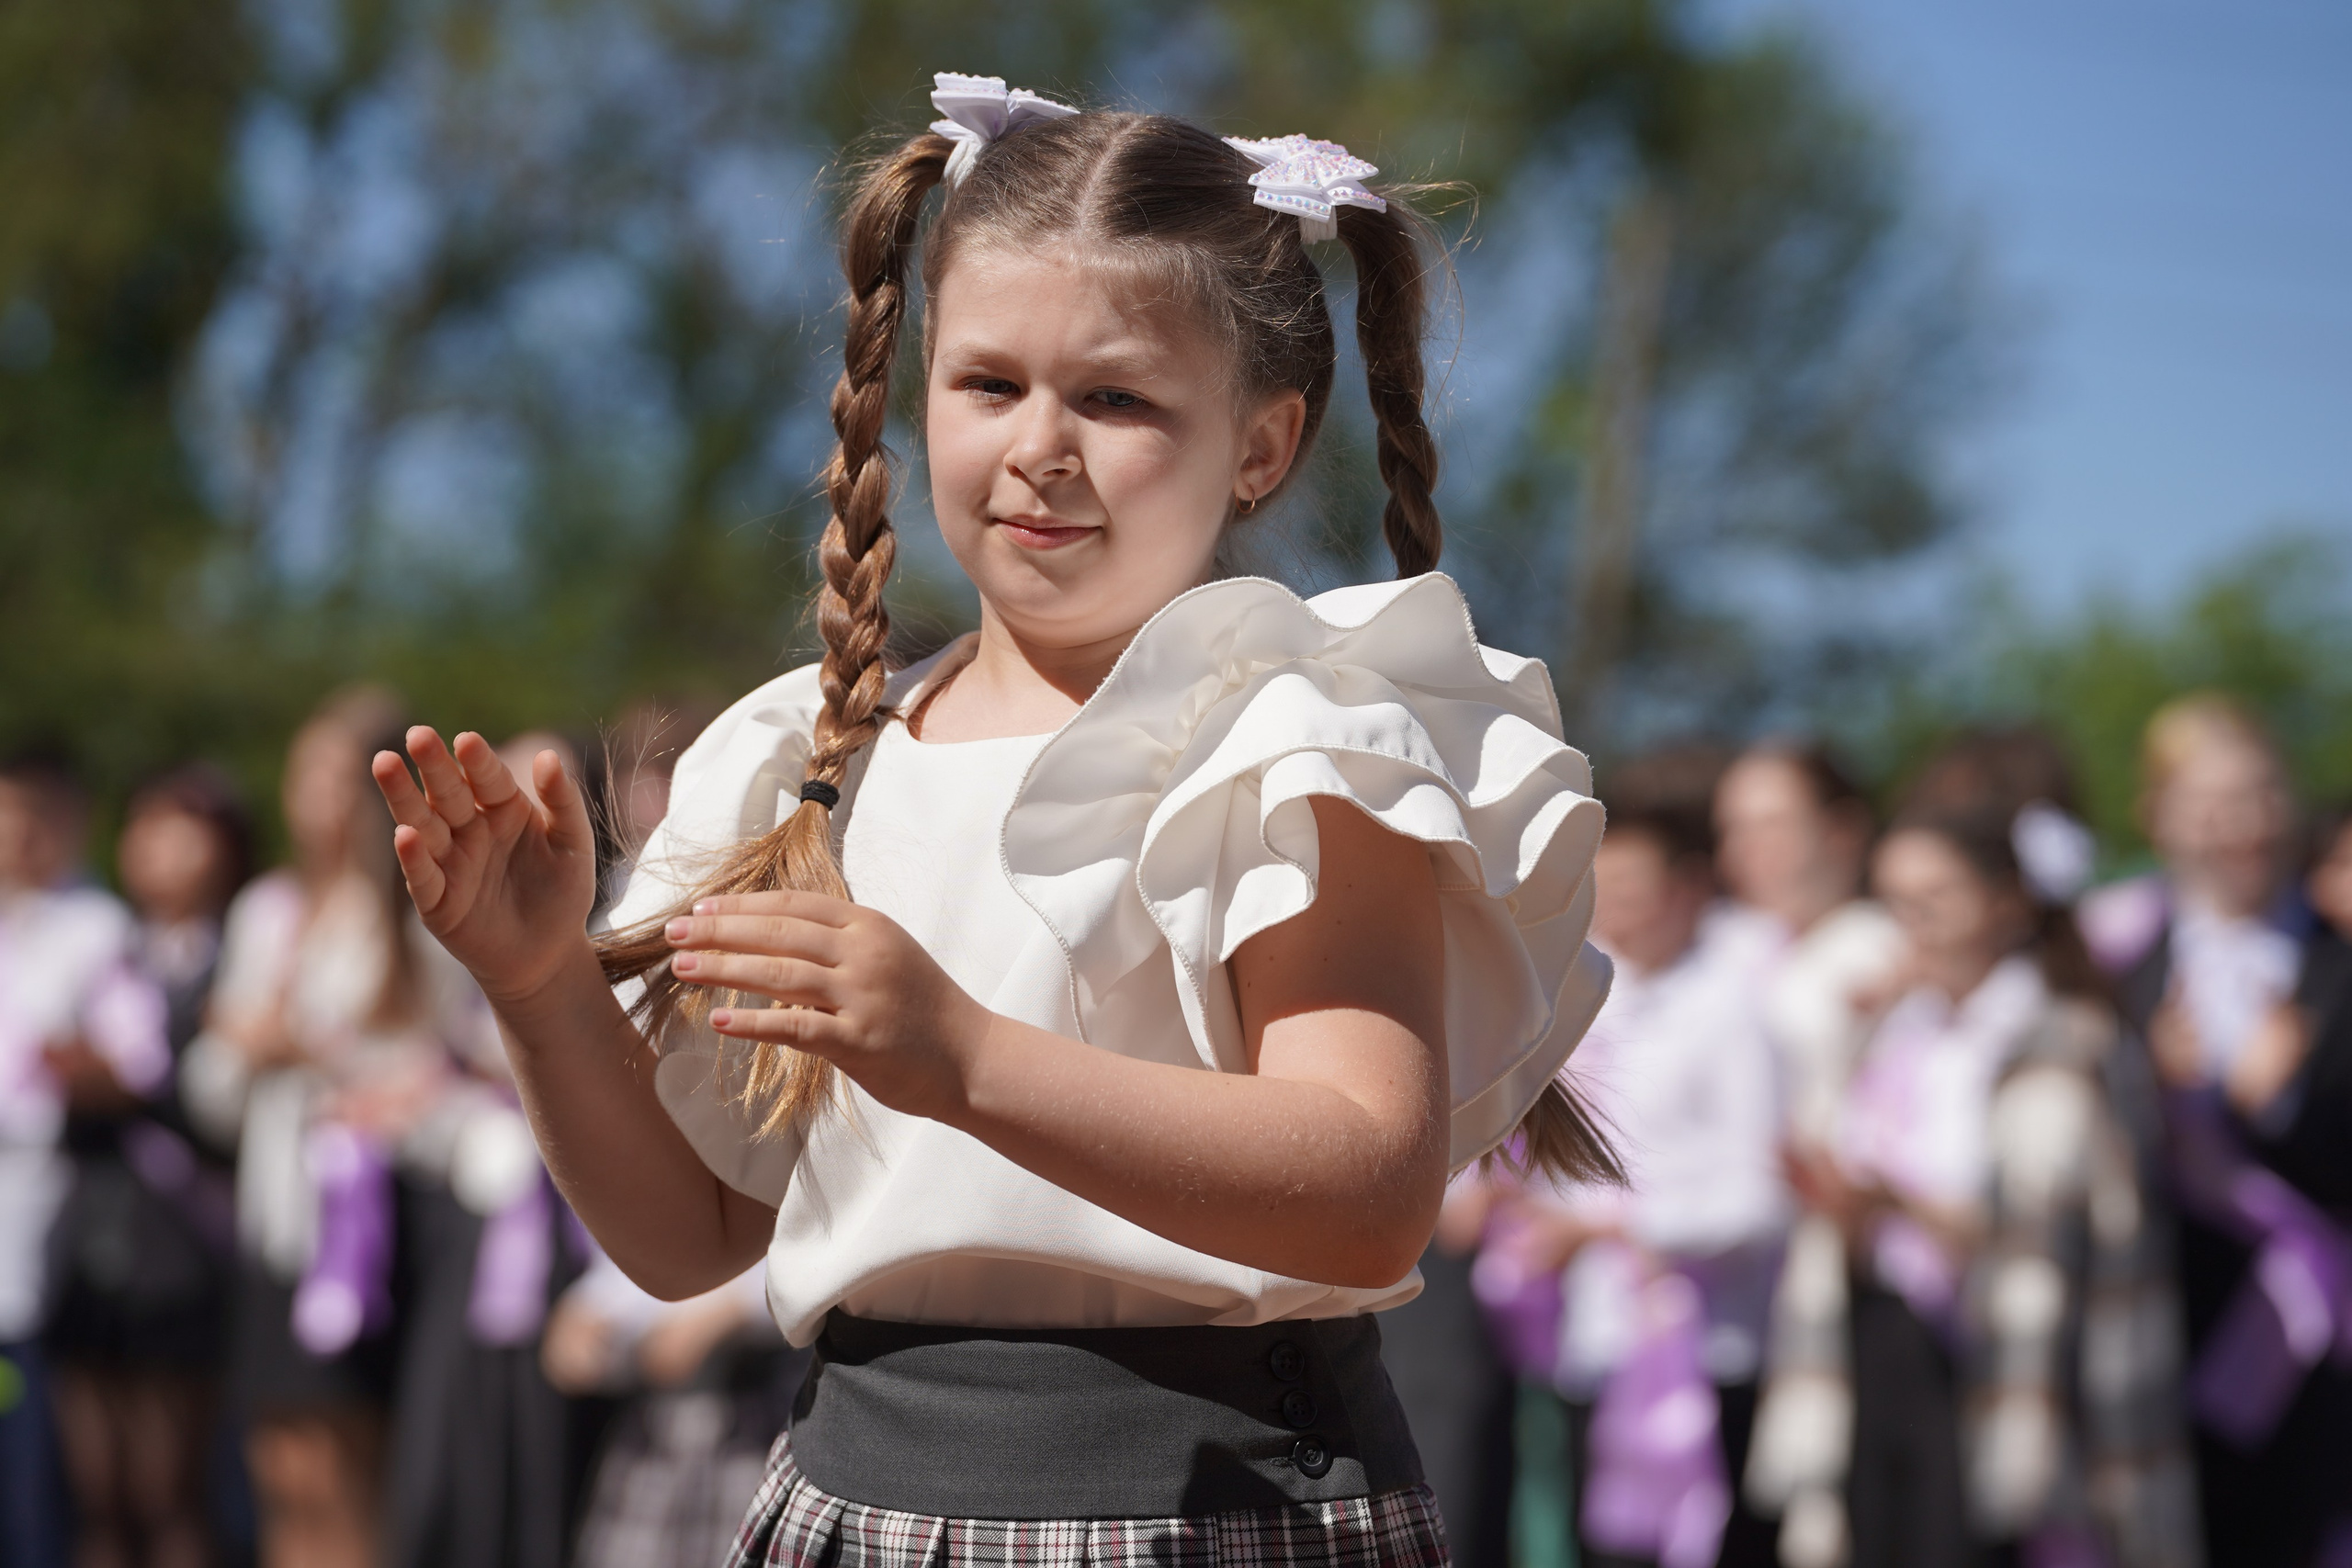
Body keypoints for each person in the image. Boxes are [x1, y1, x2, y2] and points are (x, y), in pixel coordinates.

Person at [372, 71, 1617, 1568]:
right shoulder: (812, 761)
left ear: (1265, 445)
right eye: (990, 385)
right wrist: (537, 983)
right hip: (857, 1503)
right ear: (917, 392)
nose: (1041, 444)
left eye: (1117, 398)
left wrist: (961, 1056)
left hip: (1220, 1508)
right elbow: (691, 1231)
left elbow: (1364, 1186)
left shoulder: (1300, 736)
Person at [1792, 794, 2193, 1568]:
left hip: (2005, 1357)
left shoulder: (2062, 1037)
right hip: (1884, 1340)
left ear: (2006, 904)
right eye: (1897, 904)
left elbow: (2061, 1233)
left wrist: (1900, 1203)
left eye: (1935, 901)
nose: (1915, 927)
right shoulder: (1892, 1027)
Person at [1471, 746, 1787, 1568]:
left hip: (1700, 1345)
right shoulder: (1583, 1011)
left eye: (1637, 894)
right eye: (1602, 894)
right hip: (1598, 1339)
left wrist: (1609, 1230)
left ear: (1688, 892)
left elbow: (1758, 1197)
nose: (1618, 914)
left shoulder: (1730, 1010)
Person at [179, 688, 457, 1568]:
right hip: (278, 1221)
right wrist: (253, 1049)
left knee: (345, 1467)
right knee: (279, 1466)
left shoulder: (415, 913)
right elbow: (211, 1090)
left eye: (338, 776)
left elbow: (438, 1070)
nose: (317, 796)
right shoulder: (268, 910)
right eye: (307, 775)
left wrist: (317, 1054)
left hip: (365, 1231)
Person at [2079, 696, 2352, 1568]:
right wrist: (2144, 1086)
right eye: (2210, 801)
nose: (2240, 826)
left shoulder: (2338, 957)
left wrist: (2271, 1112)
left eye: (2261, 796)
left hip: (2323, 1338)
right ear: (2156, 814)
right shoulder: (2117, 962)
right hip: (2165, 1318)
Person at [47, 764, 254, 1568]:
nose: (155, 846)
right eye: (143, 825)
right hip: (90, 1234)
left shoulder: (239, 953)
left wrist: (135, 1087)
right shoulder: (105, 948)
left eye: (180, 825)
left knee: (170, 1494)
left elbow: (217, 1108)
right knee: (96, 1499)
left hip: (180, 1248)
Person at [1713, 742, 1904, 1568]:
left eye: (1774, 823)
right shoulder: (1733, 951)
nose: (1750, 850)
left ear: (1843, 831)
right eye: (1735, 829)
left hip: (1858, 1284)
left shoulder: (1885, 952)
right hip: (1732, 1301)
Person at [3, 756, 173, 1568]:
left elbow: (137, 1067)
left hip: (48, 1227)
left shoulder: (95, 927)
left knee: (40, 1477)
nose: (20, 833)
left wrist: (78, 1066)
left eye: (39, 815)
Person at [545, 1257, 806, 1568]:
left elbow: (805, 1271)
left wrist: (730, 1310)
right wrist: (583, 1310)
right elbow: (624, 1270)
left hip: (749, 1427)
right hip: (652, 1431)